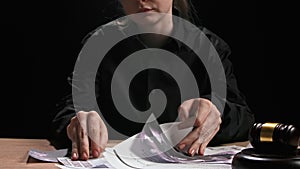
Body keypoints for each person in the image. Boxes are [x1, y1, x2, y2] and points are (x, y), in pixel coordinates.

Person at [48, 0, 255, 161]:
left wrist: (216, 112)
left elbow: (243, 118)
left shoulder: (209, 48)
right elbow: (67, 112)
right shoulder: (97, 45)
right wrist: (77, 124)